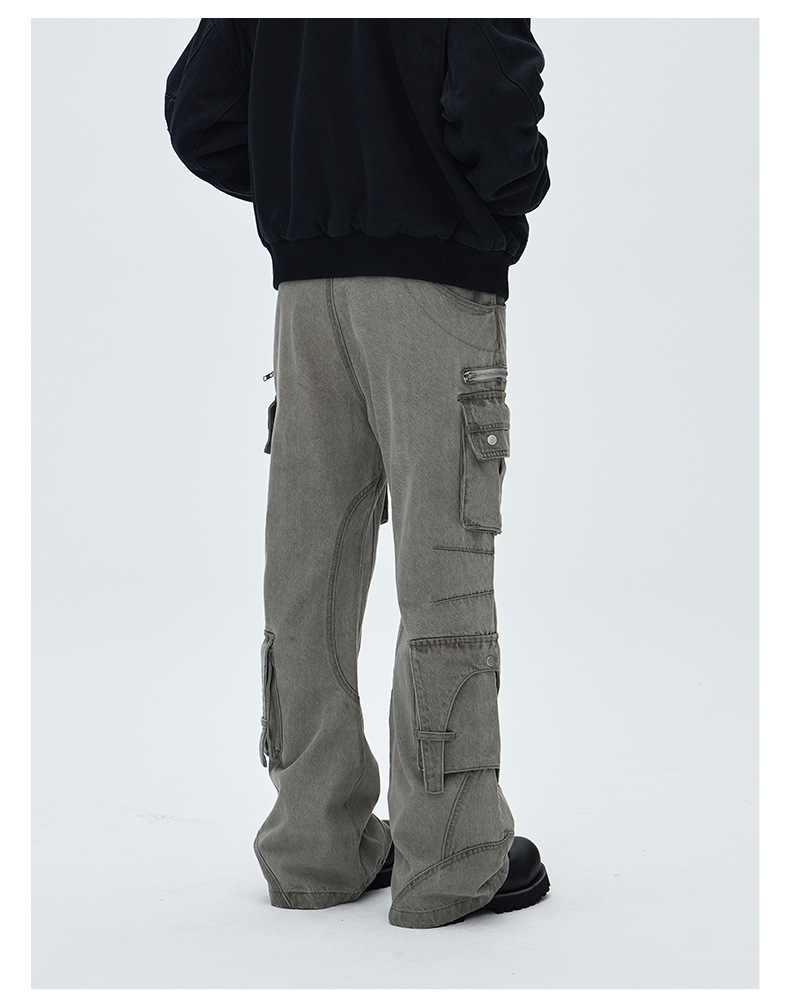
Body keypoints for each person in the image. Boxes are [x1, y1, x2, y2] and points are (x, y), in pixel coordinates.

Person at [164, 17, 551, 930]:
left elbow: (200, 111)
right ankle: (451, 859)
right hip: (430, 286)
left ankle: (316, 846)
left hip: (308, 296)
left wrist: (309, 181)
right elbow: (493, 107)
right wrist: (479, 205)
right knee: (442, 563)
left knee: (309, 574)